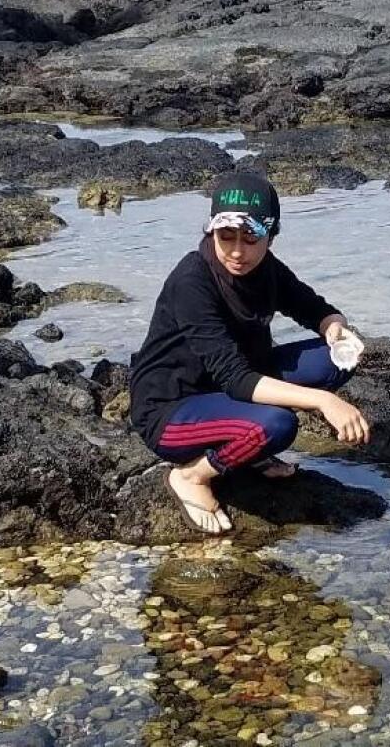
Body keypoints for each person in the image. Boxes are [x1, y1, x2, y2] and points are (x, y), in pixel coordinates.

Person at [128, 171, 370, 534]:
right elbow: (237, 380)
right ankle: (193, 476)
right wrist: (323, 402)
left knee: (336, 360)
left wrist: (335, 329)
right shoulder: (192, 281)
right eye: (226, 236)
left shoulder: (265, 269)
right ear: (211, 231)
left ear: (271, 237)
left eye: (251, 237)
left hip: (227, 385)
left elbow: (315, 309)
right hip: (171, 409)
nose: (238, 251)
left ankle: (246, 451)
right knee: (277, 424)